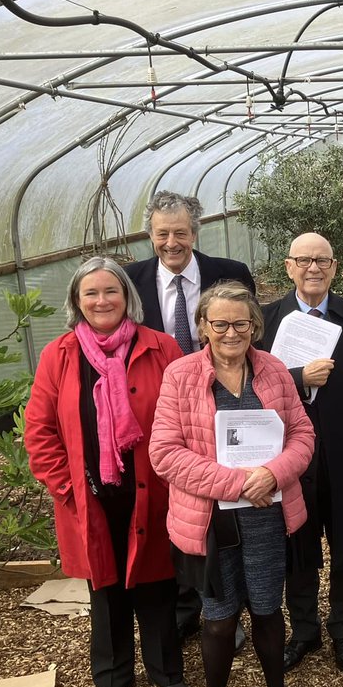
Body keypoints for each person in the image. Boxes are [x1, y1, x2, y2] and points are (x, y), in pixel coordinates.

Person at [149, 282, 315, 687]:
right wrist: (235, 483)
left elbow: (302, 433)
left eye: (240, 324)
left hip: (267, 517)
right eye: (218, 323)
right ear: (203, 327)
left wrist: (272, 474)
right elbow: (164, 453)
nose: (229, 332)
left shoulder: (275, 371)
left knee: (267, 610)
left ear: (254, 327)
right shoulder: (181, 376)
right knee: (219, 620)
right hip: (211, 521)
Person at [25, 257, 189, 687]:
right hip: (89, 497)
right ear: (77, 302)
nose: (102, 301)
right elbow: (39, 431)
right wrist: (67, 488)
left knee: (156, 582)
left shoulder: (160, 348)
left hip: (151, 491)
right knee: (106, 587)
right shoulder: (59, 356)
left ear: (128, 298)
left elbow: (184, 418)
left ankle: (166, 673)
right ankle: (113, 678)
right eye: (90, 293)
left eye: (110, 291)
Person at [125, 190, 255, 645]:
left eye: (180, 232)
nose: (171, 242)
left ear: (195, 233)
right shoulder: (131, 281)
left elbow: (247, 336)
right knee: (176, 510)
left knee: (222, 512)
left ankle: (225, 608)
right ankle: (186, 609)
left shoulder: (230, 273)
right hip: (159, 412)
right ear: (151, 236)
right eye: (162, 233)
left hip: (221, 411)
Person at [259, 233, 343, 675]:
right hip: (289, 453)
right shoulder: (265, 319)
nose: (313, 268)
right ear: (288, 266)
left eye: (323, 261)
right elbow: (252, 386)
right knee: (298, 540)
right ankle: (304, 630)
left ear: (335, 268)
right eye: (304, 260)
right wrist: (297, 377)